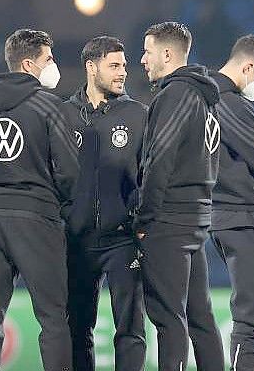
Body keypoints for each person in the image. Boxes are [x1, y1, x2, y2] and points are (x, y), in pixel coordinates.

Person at [0, 29, 78, 371]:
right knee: (54, 318)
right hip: (38, 219)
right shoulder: (51, 106)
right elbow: (70, 173)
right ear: (29, 64)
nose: (53, 65)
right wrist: (48, 198)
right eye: (49, 59)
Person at [135, 21, 224, 371]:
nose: (142, 59)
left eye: (147, 51)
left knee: (169, 318)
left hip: (169, 221)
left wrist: (144, 220)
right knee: (199, 317)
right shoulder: (204, 96)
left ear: (167, 54)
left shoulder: (174, 95)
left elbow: (160, 160)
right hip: (196, 217)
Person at [62, 35, 147, 371]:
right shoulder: (62, 115)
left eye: (124, 65)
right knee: (77, 328)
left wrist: (139, 223)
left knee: (130, 330)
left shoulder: (139, 115)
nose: (122, 72)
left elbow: (150, 176)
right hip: (76, 241)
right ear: (91, 67)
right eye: (114, 65)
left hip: (123, 240)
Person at [206, 34, 254, 371]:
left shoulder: (198, 95)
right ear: (248, 66)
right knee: (250, 319)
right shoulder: (230, 102)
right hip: (241, 215)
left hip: (222, 214)